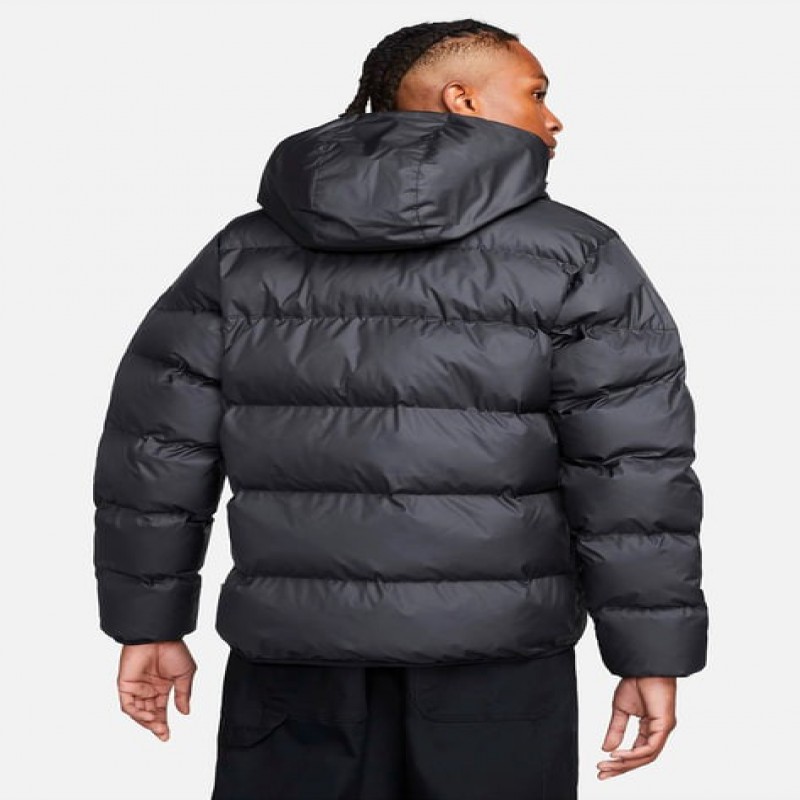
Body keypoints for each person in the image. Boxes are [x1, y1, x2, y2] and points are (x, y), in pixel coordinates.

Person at [92, 18, 709, 800]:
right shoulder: (576, 256)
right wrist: (649, 653)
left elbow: (154, 450)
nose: (553, 119)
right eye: (536, 94)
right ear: (463, 99)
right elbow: (630, 469)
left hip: (294, 661)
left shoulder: (242, 254)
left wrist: (149, 621)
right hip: (496, 667)